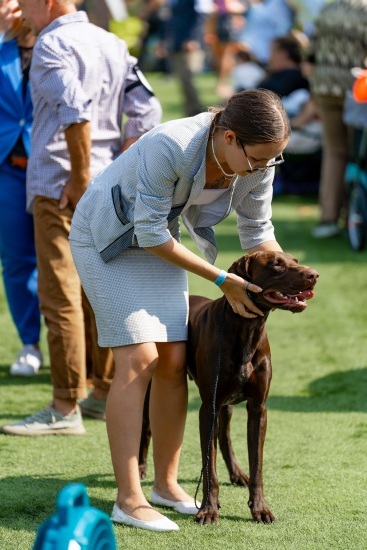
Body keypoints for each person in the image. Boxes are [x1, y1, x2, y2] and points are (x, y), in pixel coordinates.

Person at [66, 88, 290, 531]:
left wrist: (287, 280)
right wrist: (222, 280)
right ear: (229, 138)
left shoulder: (254, 160)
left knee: (172, 358)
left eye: (273, 161)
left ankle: (166, 486)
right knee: (140, 357)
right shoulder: (171, 144)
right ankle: (128, 500)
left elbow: (257, 228)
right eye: (259, 159)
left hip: (158, 245)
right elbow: (149, 231)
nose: (263, 169)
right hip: (104, 238)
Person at [0, 0, 162, 436]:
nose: (22, 10)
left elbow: (75, 111)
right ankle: (101, 391)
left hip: (60, 184)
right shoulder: (111, 42)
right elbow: (147, 109)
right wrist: (119, 164)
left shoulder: (52, 44)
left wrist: (78, 175)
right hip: (109, 183)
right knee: (97, 289)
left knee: (60, 295)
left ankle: (64, 405)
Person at [0, 0, 42, 377]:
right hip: (8, 169)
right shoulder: (2, 47)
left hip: (56, 170)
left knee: (67, 262)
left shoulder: (62, 42)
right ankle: (30, 343)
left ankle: (80, 347)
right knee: (16, 261)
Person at [309, 0, 367, 238]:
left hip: (324, 85)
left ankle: (329, 217)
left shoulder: (327, 9)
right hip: (355, 87)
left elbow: (311, 51)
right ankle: (355, 213)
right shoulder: (363, 10)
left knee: (334, 152)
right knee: (357, 152)